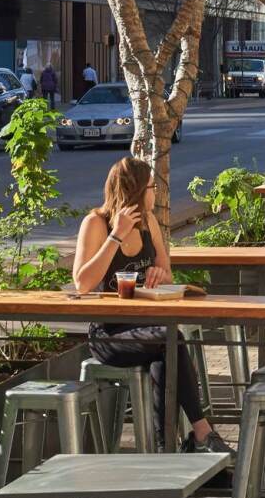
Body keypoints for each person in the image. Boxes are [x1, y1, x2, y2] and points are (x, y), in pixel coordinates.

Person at [72, 158, 228, 453]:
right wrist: (116, 236)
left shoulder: (149, 222)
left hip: (147, 327)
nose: (155, 194)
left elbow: (165, 271)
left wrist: (159, 274)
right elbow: (82, 283)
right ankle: (199, 431)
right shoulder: (96, 223)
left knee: (165, 351)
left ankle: (166, 447)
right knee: (170, 340)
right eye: (151, 187)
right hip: (109, 334)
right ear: (135, 191)